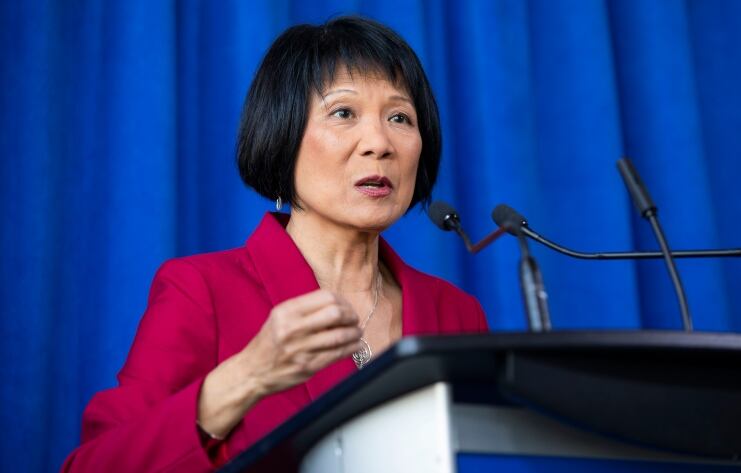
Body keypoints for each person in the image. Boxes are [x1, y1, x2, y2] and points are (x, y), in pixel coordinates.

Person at [62, 16, 488, 472]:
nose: (379, 143)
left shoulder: (455, 312)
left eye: (400, 117)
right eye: (343, 113)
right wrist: (245, 379)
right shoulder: (201, 291)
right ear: (282, 135)